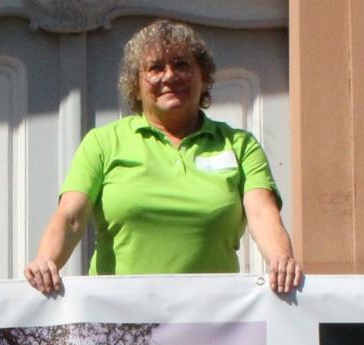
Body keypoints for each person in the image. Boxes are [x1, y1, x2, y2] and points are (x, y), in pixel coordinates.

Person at [23, 19, 301, 296]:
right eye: (155, 68)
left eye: (181, 64)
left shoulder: (239, 145)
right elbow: (71, 216)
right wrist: (47, 262)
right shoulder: (103, 142)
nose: (169, 76)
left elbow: (262, 213)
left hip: (213, 317)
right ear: (136, 85)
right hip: (120, 321)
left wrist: (281, 262)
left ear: (203, 77)